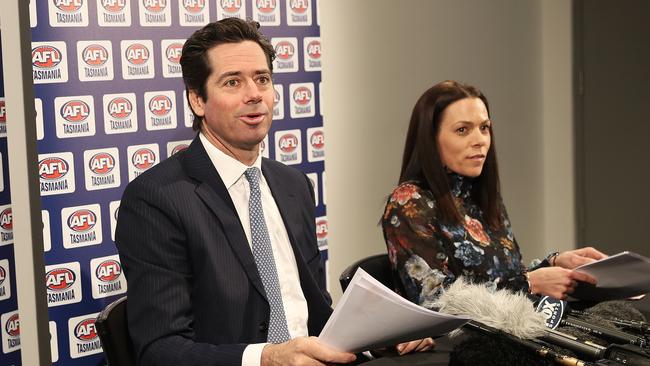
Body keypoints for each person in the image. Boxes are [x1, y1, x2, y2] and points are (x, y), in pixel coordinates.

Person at [116, 18, 431, 366]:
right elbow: (161, 350)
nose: (254, 94)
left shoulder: (294, 185)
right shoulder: (156, 199)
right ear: (197, 100)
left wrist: (379, 340)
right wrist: (268, 358)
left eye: (262, 79)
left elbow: (315, 313)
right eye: (233, 82)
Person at [381, 80, 607, 309]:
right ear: (430, 140)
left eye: (484, 127)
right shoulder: (410, 201)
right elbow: (434, 299)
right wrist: (529, 283)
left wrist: (554, 264)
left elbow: (507, 278)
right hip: (460, 341)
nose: (480, 140)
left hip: (512, 328)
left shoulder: (481, 195)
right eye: (462, 130)